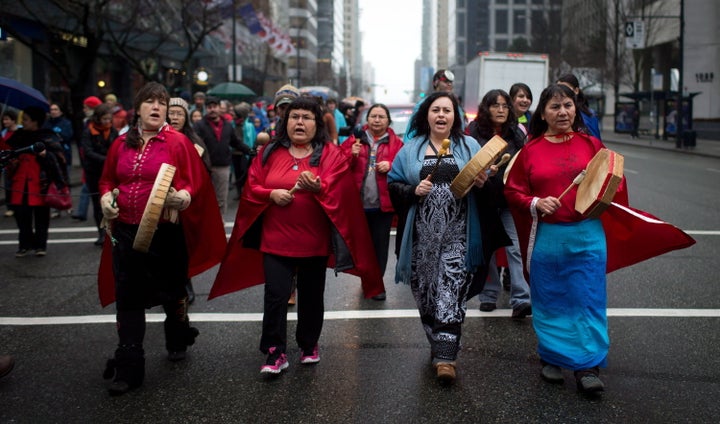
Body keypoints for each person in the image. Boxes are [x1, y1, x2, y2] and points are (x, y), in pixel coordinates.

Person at [209, 97, 385, 375]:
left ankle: (308, 344)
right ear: (285, 122)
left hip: (314, 242)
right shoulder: (269, 152)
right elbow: (252, 187)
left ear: (317, 124)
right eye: (294, 117)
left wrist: (319, 187)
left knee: (312, 296)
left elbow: (340, 187)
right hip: (275, 240)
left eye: (306, 117)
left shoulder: (329, 153)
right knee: (275, 296)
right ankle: (273, 351)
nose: (299, 122)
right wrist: (271, 194)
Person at [97, 82, 226, 396]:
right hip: (126, 232)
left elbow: (194, 181)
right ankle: (129, 367)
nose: (156, 107)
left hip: (166, 233)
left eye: (161, 103)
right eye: (150, 102)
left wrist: (183, 195)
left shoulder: (178, 142)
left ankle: (178, 334)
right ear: (137, 108)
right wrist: (104, 198)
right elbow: (107, 179)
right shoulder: (120, 143)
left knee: (173, 292)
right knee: (128, 298)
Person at [504, 83, 619, 395]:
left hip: (588, 236)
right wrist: (536, 203)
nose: (563, 112)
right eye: (555, 107)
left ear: (575, 108)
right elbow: (513, 191)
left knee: (587, 298)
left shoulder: (593, 145)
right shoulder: (530, 150)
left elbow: (613, 185)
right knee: (551, 298)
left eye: (568, 105)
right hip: (549, 239)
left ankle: (588, 366)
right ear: (543, 113)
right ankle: (552, 357)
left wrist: (603, 194)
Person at [387, 91, 508, 383]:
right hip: (420, 239)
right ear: (426, 115)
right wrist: (412, 191)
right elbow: (393, 184)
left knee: (450, 293)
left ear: (456, 116)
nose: (441, 115)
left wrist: (483, 182)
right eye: (436, 110)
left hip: (460, 236)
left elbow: (493, 189)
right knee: (426, 296)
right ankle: (437, 340)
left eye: (448, 110)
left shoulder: (468, 146)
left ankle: (446, 357)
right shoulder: (411, 148)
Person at [466, 89, 531, 318]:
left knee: (515, 249)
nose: (501, 110)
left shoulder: (516, 132)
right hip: (483, 199)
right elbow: (466, 165)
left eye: (505, 106)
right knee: (489, 250)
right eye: (496, 105)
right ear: (487, 108)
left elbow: (525, 164)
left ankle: (521, 298)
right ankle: (489, 296)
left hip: (508, 200)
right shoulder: (473, 133)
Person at [341, 104, 403, 301]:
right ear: (367, 120)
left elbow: (406, 168)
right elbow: (338, 167)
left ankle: (377, 284)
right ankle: (367, 280)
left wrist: (391, 165)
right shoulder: (354, 140)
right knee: (360, 247)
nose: (377, 120)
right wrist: (350, 155)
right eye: (373, 116)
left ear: (388, 121)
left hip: (382, 205)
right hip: (357, 205)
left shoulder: (397, 144)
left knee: (379, 247)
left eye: (381, 117)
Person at [4, 106, 68, 257]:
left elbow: (59, 159)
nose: (23, 123)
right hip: (20, 183)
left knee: (41, 217)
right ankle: (24, 244)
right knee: (21, 216)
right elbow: (7, 154)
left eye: (26, 120)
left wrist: (46, 155)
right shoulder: (17, 135)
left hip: (40, 184)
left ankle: (40, 245)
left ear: (35, 121)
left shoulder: (47, 136)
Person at [167, 97, 212, 304]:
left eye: (179, 114)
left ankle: (185, 285)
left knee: (181, 248)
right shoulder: (156, 138)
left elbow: (205, 171)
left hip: (185, 203)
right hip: (157, 202)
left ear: (186, 117)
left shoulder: (194, 141)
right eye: (171, 112)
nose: (174, 117)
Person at [194, 96, 249, 216]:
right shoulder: (199, 125)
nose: (212, 109)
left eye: (214, 106)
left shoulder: (228, 125)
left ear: (219, 108)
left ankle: (220, 228)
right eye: (209, 107)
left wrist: (250, 151)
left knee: (221, 200)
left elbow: (235, 142)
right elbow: (194, 145)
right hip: (204, 168)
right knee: (205, 199)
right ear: (206, 109)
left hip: (223, 167)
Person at [80, 104, 119, 246]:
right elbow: (88, 152)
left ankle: (112, 232)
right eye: (104, 119)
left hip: (110, 172)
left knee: (112, 202)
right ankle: (102, 233)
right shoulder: (88, 131)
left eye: (109, 119)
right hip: (94, 172)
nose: (107, 122)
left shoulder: (113, 131)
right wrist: (106, 160)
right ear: (98, 118)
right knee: (98, 204)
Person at [404, 69, 466, 142]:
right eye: (445, 81)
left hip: (451, 147)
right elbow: (411, 133)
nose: (449, 84)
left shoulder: (456, 106)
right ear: (436, 83)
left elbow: (460, 130)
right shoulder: (423, 105)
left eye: (450, 82)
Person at [72, 96, 104, 222]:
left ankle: (82, 211)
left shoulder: (94, 123)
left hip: (96, 162)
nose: (84, 109)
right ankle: (82, 211)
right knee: (88, 187)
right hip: (90, 161)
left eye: (86, 107)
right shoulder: (87, 122)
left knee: (89, 188)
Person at [557, 73, 602, 140]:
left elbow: (595, 140)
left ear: (576, 91)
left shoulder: (587, 115)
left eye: (566, 89)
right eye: (558, 89)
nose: (562, 93)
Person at [2, 109, 20, 218]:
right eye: (3, 119)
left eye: (7, 119)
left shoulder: (20, 131)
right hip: (6, 164)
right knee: (8, 186)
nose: (5, 122)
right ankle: (10, 207)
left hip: (18, 163)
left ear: (13, 120)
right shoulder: (3, 133)